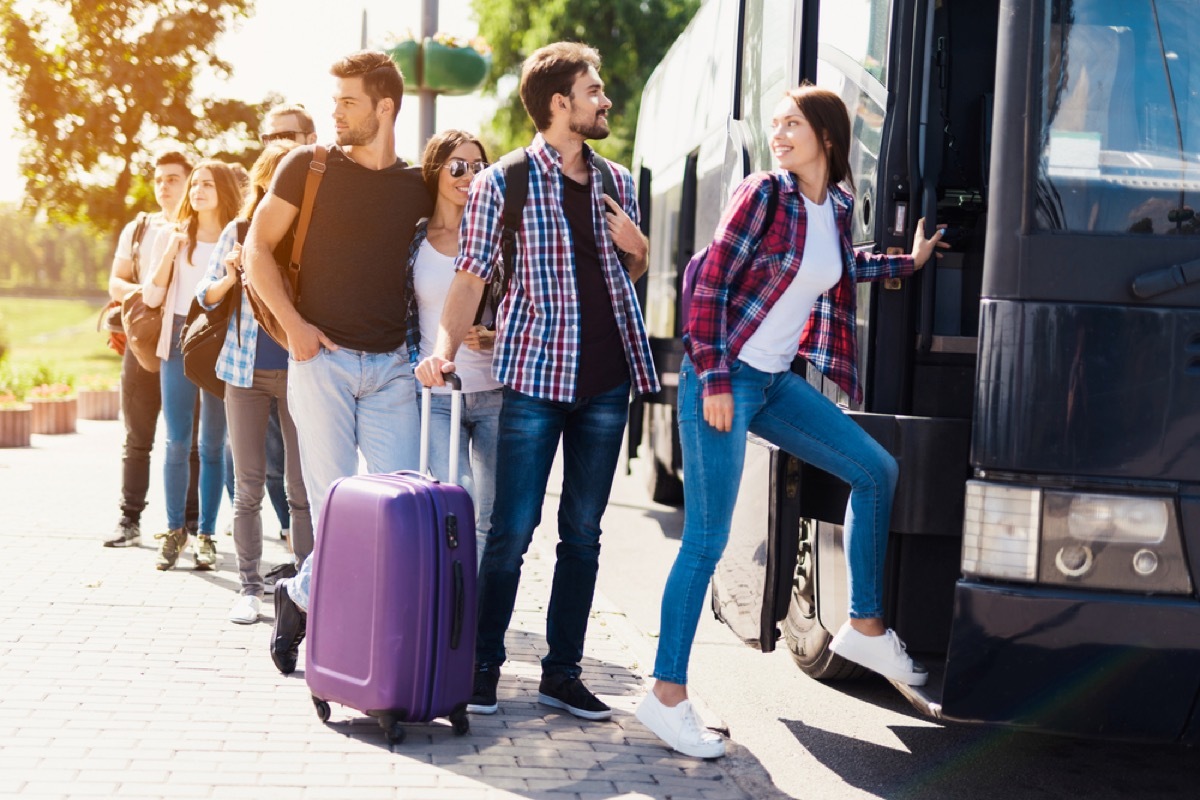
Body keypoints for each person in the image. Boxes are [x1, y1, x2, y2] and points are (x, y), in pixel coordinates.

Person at [635, 86, 947, 759]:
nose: (779, 134)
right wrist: (715, 378)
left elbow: (837, 270)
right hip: (722, 376)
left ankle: (863, 623)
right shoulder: (763, 195)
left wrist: (908, 263)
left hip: (774, 381)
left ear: (827, 137)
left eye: (792, 124)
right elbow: (707, 282)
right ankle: (665, 696)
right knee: (706, 542)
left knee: (875, 470)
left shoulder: (832, 205)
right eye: (775, 124)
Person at [416, 42, 659, 722]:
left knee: (583, 532)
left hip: (607, 382)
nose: (605, 99)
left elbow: (620, 278)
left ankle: (562, 673)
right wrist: (443, 349)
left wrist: (638, 253)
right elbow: (469, 278)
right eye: (594, 89)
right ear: (560, 103)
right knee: (511, 531)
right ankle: (484, 667)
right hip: (534, 380)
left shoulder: (617, 181)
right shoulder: (507, 182)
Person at [245, 51, 433, 674]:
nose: (335, 112)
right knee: (335, 517)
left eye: (347, 101)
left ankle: (296, 595)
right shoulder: (308, 167)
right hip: (321, 362)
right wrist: (294, 328)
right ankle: (351, 648)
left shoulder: (416, 186)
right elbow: (257, 250)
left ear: (385, 107)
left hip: (392, 371)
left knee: (400, 516)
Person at [196, 140, 312, 625]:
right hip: (244, 372)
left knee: (300, 489)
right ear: (265, 179)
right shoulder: (239, 230)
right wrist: (228, 276)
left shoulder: (313, 232)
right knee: (246, 486)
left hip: (300, 371)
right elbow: (204, 296)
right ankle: (248, 586)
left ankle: (308, 588)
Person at [406, 129, 502, 566]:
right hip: (438, 397)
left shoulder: (501, 237)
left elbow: (529, 303)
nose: (469, 176)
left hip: (497, 392)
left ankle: (473, 620)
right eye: (457, 166)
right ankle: (449, 602)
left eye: (479, 167)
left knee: (488, 514)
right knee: (453, 497)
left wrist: (497, 333)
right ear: (436, 171)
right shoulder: (413, 240)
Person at [141, 160, 243, 571]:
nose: (197, 190)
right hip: (179, 336)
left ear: (223, 191)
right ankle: (173, 531)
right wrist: (170, 251)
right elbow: (150, 297)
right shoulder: (173, 236)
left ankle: (206, 534)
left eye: (207, 184)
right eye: (195, 184)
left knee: (212, 445)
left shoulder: (236, 235)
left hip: (217, 340)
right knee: (177, 440)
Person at [103, 151, 201, 547]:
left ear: (190, 181)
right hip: (144, 346)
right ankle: (129, 520)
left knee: (191, 440)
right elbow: (116, 283)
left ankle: (193, 527)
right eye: (159, 179)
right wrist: (152, 294)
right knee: (138, 436)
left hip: (188, 346)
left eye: (174, 179)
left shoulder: (206, 229)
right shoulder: (139, 228)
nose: (164, 186)